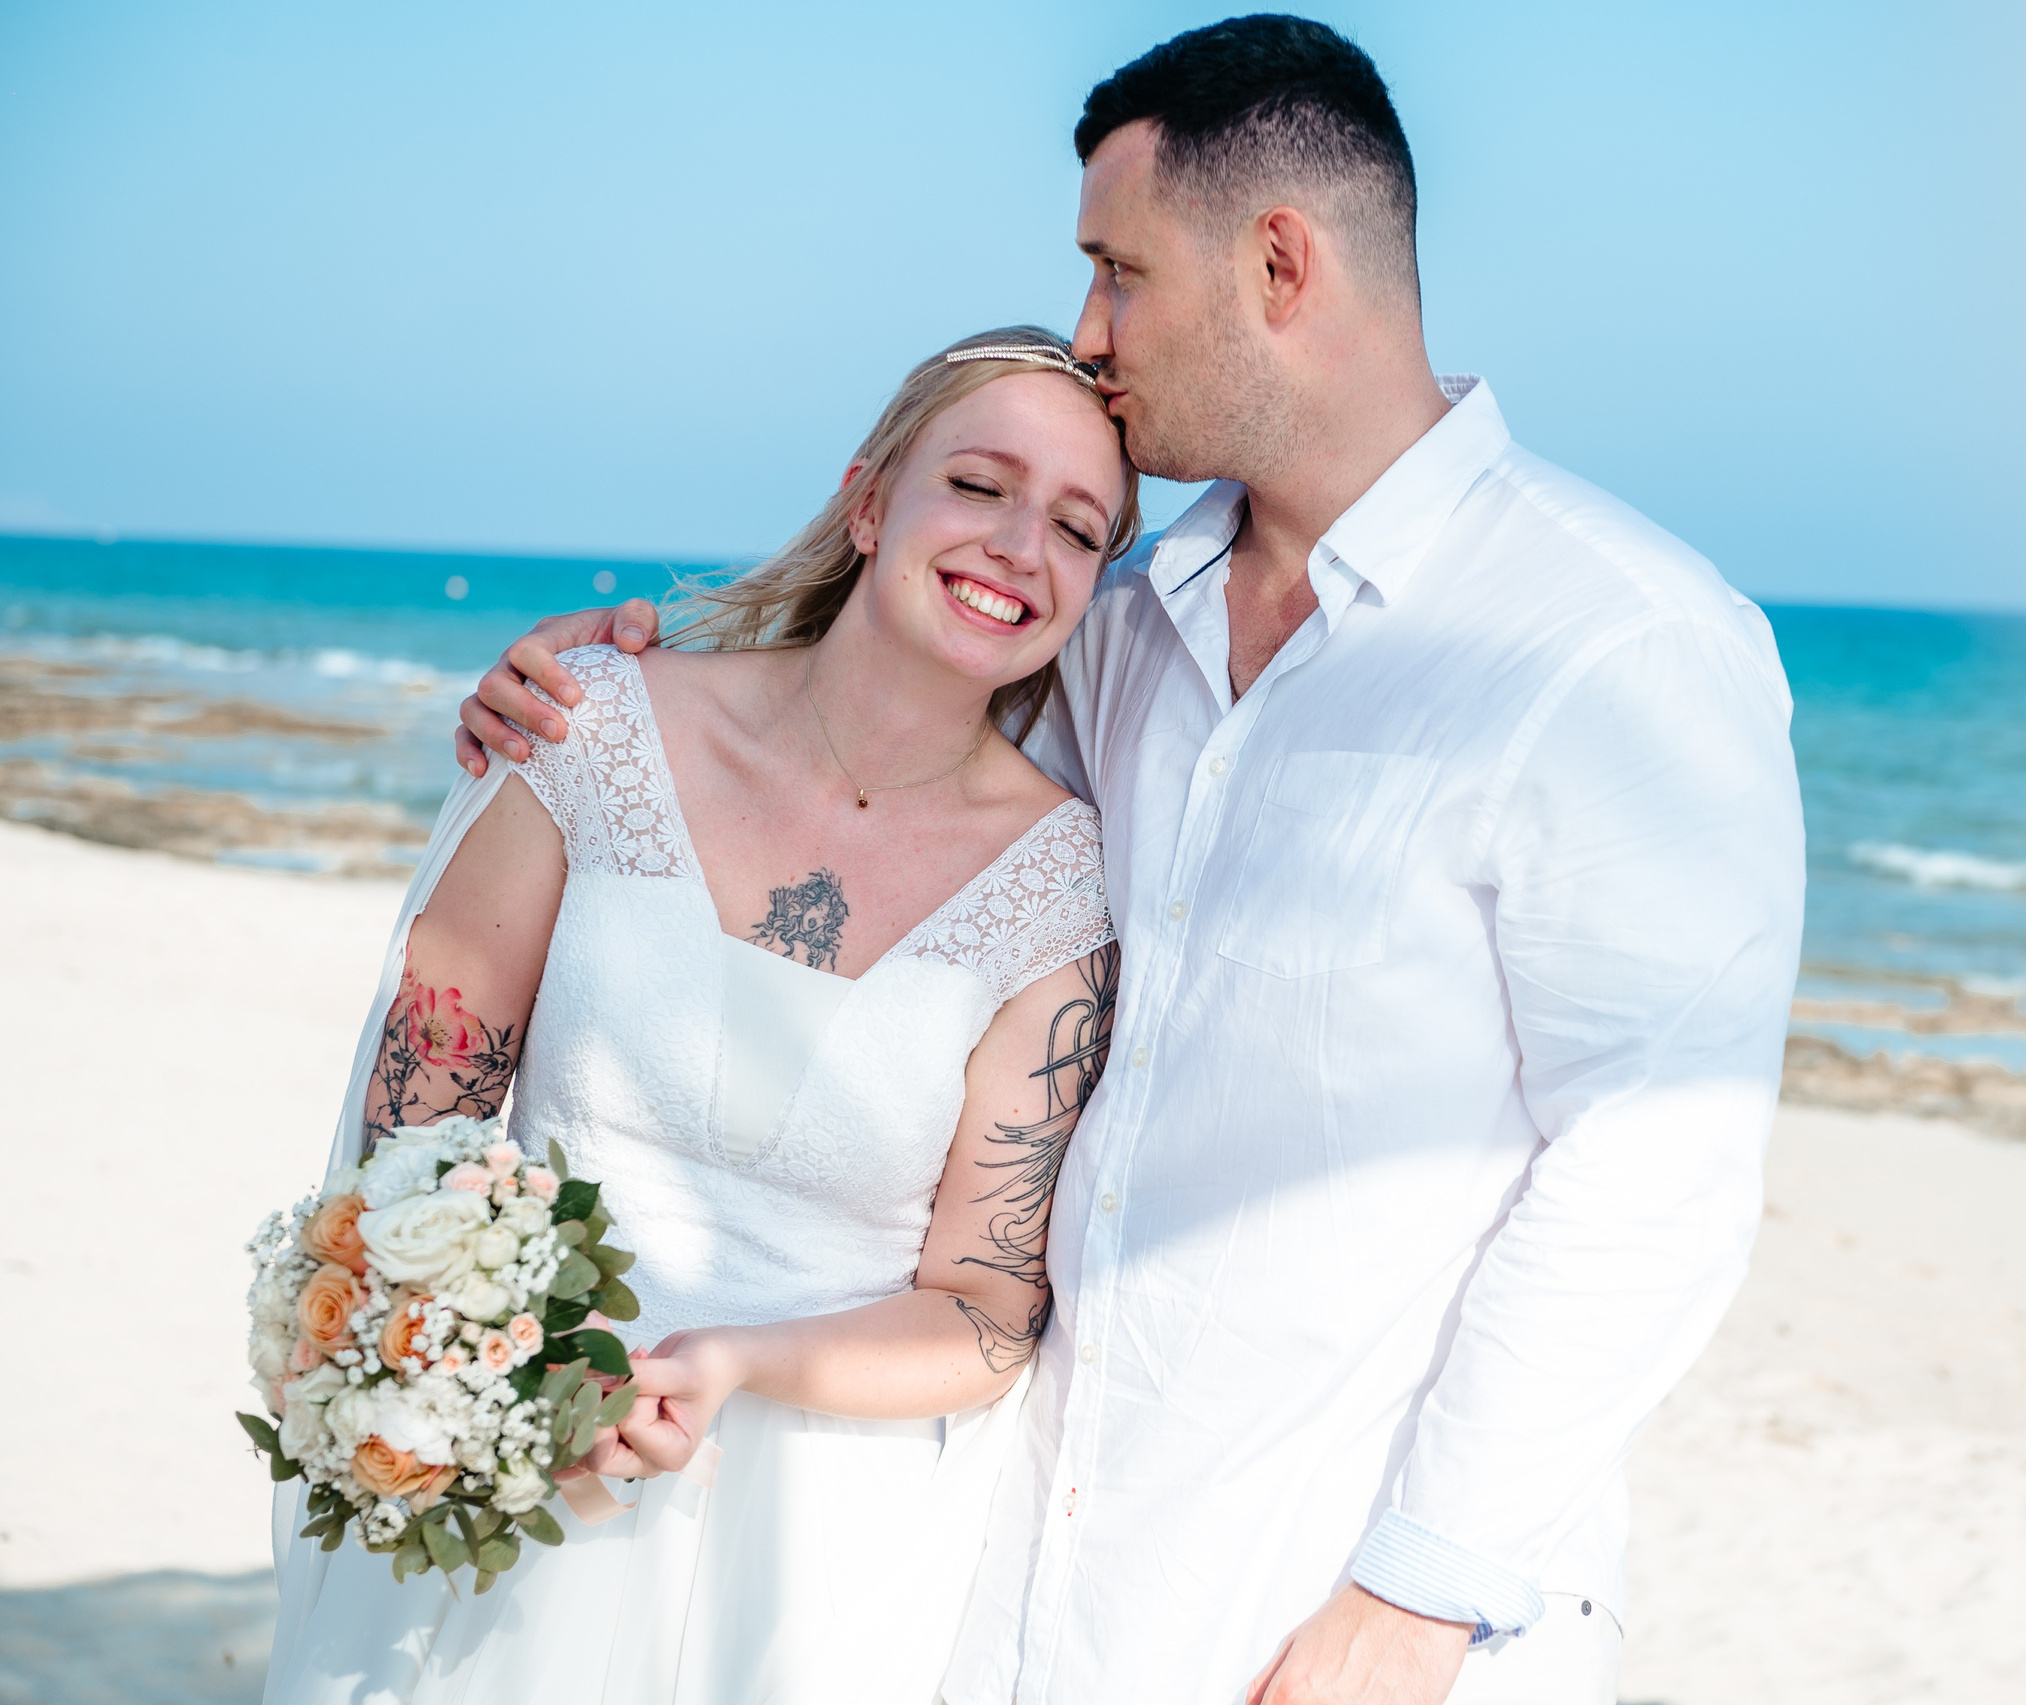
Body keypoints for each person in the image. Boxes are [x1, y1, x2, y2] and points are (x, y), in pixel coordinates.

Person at [457, 17, 1805, 1705]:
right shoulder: (1129, 617)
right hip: (1028, 1572)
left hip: (1342, 1604)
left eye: (1118, 273)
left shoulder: (1614, 649)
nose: (1091, 337)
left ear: (1281, 262)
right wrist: (616, 687)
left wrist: (1420, 1595)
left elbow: (1653, 1172)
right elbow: (877, 775)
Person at [265, 328, 1135, 1705]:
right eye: (979, 485)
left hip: (814, 1566)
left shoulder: (1063, 888)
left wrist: (732, 1362)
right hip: (519, 1464)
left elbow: (982, 1306)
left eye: (1081, 528)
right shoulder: (588, 727)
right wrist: (506, 1382)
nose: (1023, 545)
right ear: (866, 502)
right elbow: (411, 1135)